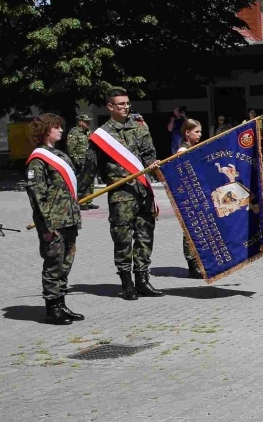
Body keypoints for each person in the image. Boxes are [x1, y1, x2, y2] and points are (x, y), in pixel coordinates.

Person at [94, 89, 163, 300]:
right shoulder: (102, 135)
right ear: (110, 107)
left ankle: (143, 280)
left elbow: (150, 155)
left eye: (127, 103)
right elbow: (94, 165)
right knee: (123, 239)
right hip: (121, 194)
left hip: (143, 191)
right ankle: (127, 283)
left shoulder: (140, 127)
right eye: (120, 104)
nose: (125, 107)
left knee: (145, 237)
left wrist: (154, 167)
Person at [24, 113, 85, 325]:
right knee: (53, 264)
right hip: (53, 223)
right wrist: (47, 226)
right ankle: (52, 308)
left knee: (65, 264)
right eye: (56, 127)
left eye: (61, 126)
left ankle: (61, 303)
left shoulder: (60, 155)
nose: (61, 130)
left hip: (68, 219)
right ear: (45, 131)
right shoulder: (38, 160)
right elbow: (38, 197)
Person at [174, 119, 206, 278]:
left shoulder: (194, 148)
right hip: (188, 196)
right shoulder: (182, 151)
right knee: (191, 230)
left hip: (197, 194)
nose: (200, 135)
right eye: (196, 132)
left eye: (200, 132)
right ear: (187, 133)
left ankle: (198, 262)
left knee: (199, 229)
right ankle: (192, 266)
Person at [67, 112, 97, 206]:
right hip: (80, 160)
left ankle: (88, 200)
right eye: (86, 122)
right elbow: (70, 148)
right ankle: (81, 201)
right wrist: (76, 160)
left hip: (89, 159)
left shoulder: (88, 132)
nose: (88, 124)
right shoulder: (74, 132)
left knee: (90, 181)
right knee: (81, 181)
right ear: (80, 123)